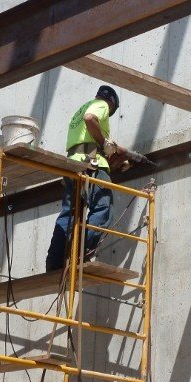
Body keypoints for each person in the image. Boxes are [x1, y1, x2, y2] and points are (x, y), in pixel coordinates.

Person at [45, 85, 128, 272]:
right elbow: (90, 119)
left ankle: (54, 261)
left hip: (73, 165)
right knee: (102, 208)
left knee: (69, 213)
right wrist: (103, 142)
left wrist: (110, 150)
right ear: (112, 103)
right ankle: (81, 255)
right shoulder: (102, 105)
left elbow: (86, 130)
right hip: (91, 164)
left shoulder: (78, 111)